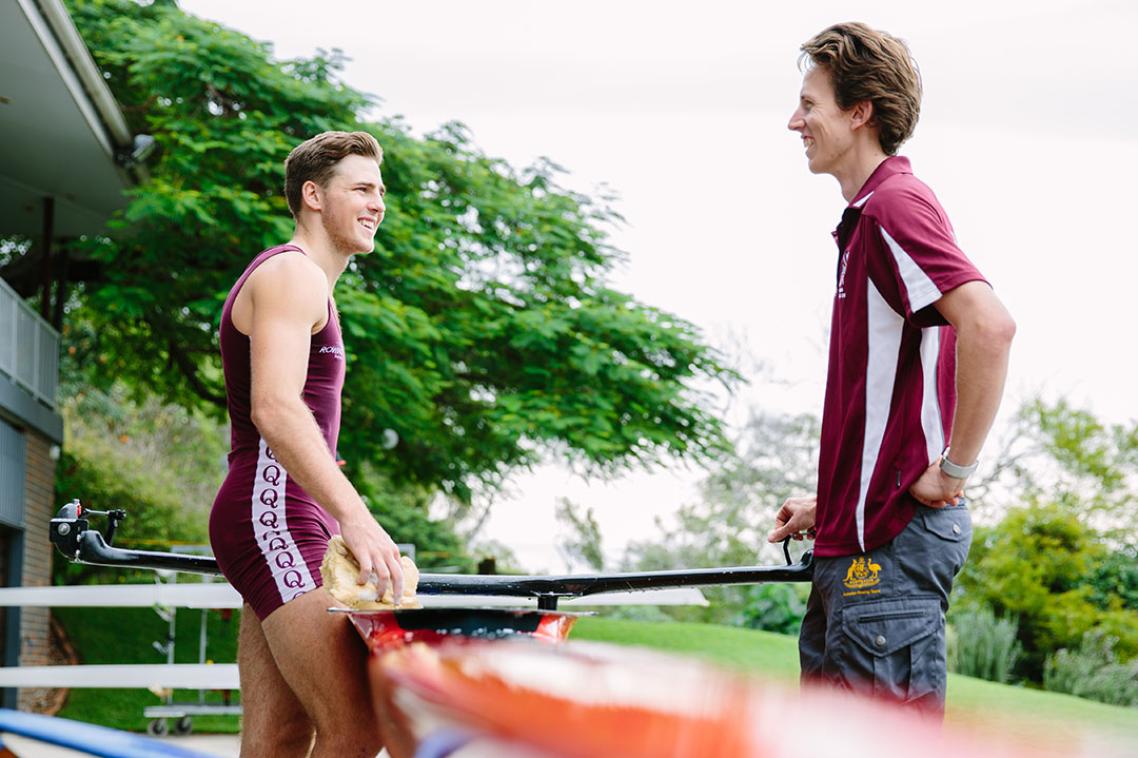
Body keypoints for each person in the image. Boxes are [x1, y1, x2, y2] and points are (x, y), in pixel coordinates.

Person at [769, 23, 1016, 717]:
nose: (795, 122)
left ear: (859, 111)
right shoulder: (864, 218)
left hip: (890, 550)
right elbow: (887, 401)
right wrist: (836, 500)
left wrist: (955, 471)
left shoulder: (892, 209)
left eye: (809, 104)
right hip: (858, 538)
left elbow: (990, 327)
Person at [209, 131, 404, 756]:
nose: (378, 203)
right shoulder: (293, 274)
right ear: (314, 195)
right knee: (359, 724)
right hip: (274, 517)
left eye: (381, 191)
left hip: (283, 517)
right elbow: (274, 407)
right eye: (363, 188)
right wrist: (358, 517)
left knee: (279, 737)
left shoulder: (306, 282)